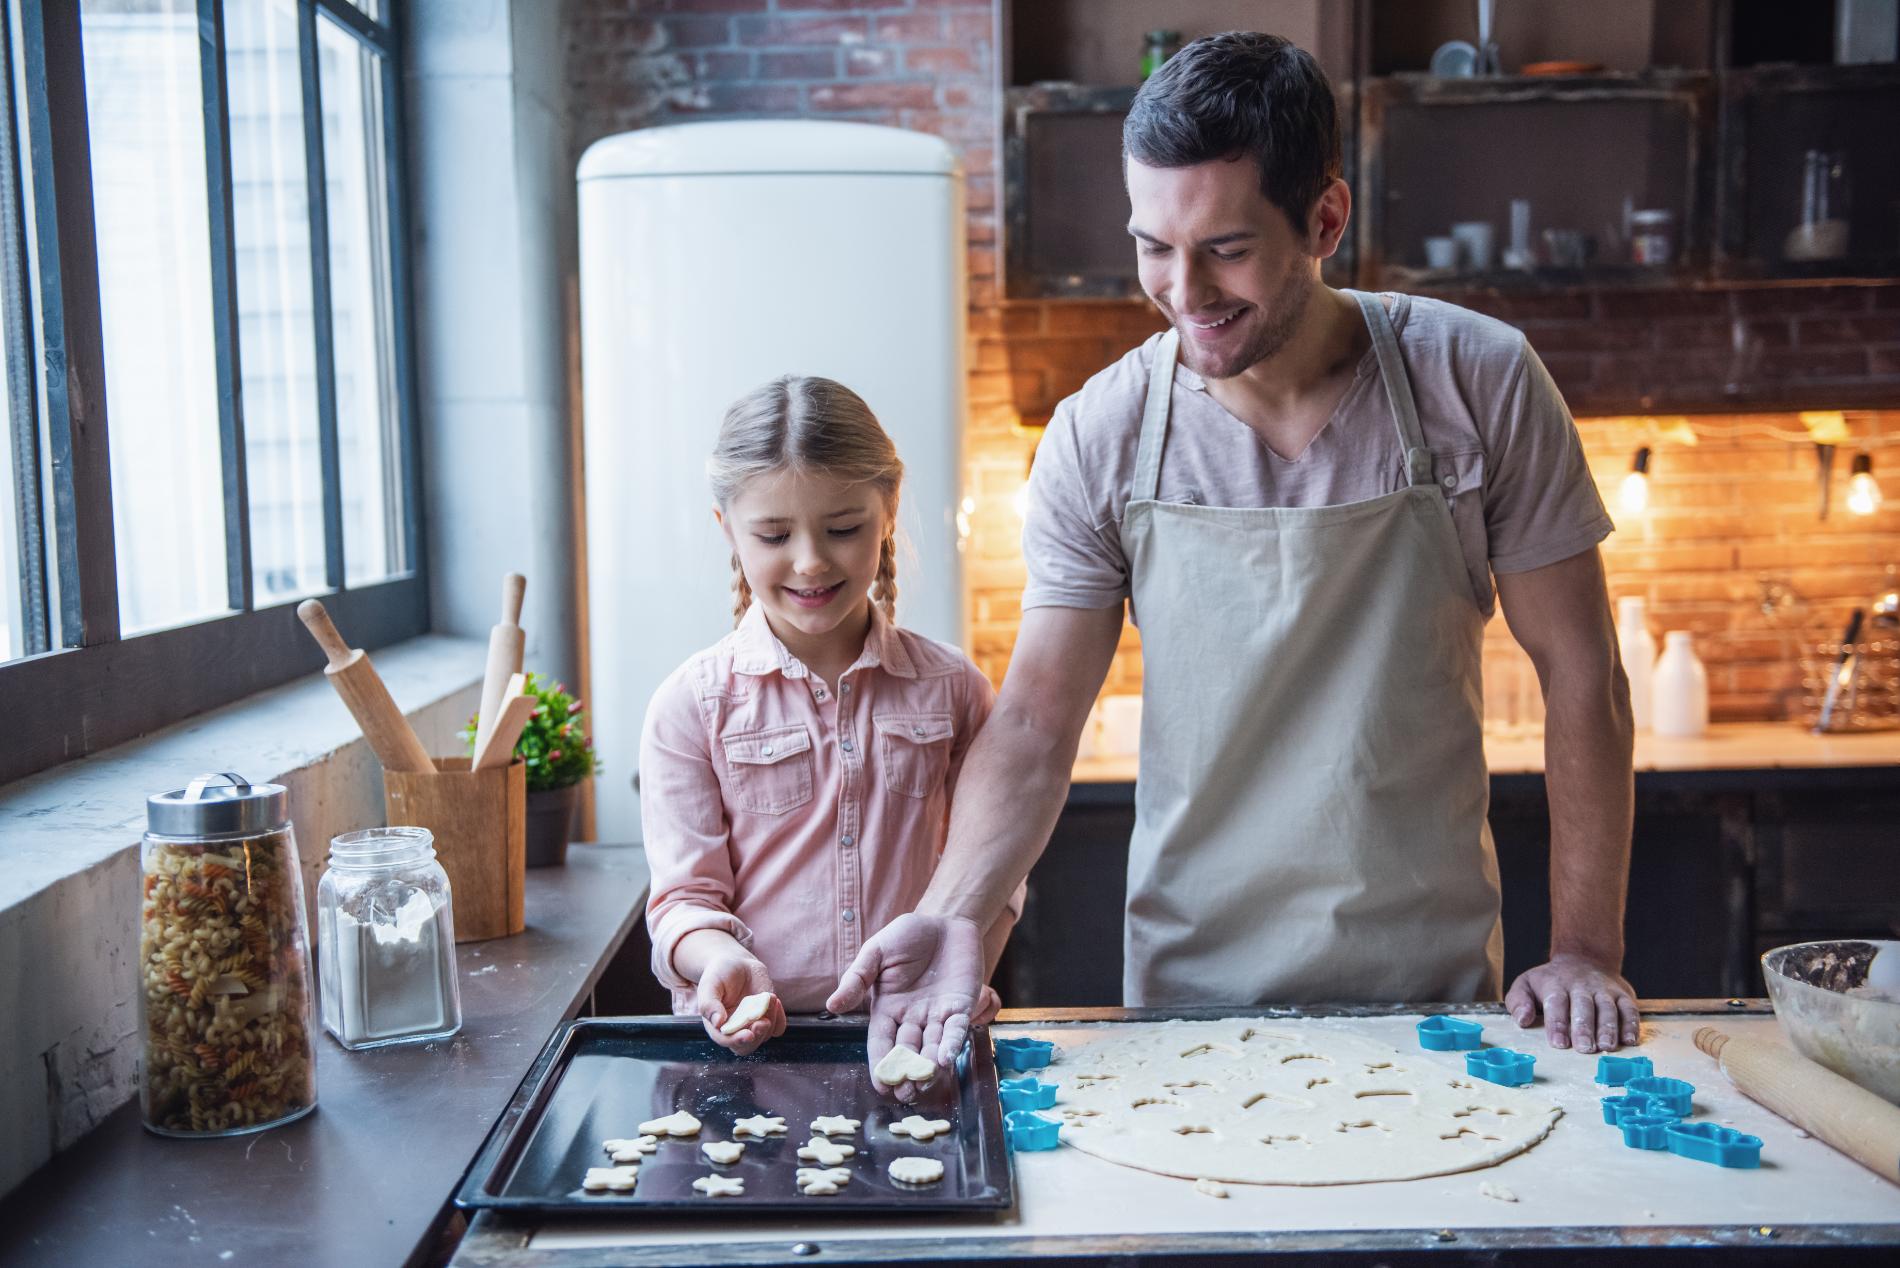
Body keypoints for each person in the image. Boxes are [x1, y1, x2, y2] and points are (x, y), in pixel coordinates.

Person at [830, 31, 1641, 1074]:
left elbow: (1582, 673)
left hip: (1432, 988)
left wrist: (1583, 950)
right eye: (1152, 246)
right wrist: (950, 911)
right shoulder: (1102, 430)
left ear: (1324, 220)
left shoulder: (1474, 380)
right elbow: (1034, 717)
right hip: (1186, 996)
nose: (1182, 289)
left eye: (1225, 247)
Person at [640, 375, 1020, 1056]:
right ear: (728, 530)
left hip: (917, 1035)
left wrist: (964, 968)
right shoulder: (689, 707)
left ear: (890, 510)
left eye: (843, 529)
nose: (811, 562)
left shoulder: (956, 690)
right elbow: (682, 902)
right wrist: (717, 960)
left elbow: (997, 870)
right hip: (752, 1050)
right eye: (774, 534)